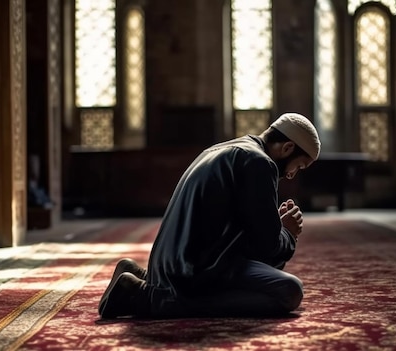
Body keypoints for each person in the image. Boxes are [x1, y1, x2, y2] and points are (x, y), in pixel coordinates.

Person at [98, 112, 321, 319]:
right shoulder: (259, 163)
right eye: (299, 166)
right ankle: (145, 297)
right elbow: (266, 248)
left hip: (173, 266)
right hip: (195, 273)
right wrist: (288, 234)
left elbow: (248, 238)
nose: (292, 175)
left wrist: (274, 225)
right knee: (289, 292)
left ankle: (142, 276)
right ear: (287, 148)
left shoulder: (223, 149)